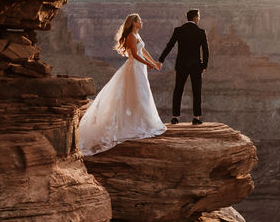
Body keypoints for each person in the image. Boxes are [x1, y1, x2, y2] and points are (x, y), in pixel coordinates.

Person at [78, 13, 166, 156]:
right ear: (134, 23)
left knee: (143, 94)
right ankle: (133, 124)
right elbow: (135, 55)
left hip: (140, 68)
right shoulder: (131, 36)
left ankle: (141, 122)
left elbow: (143, 51)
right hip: (134, 68)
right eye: (139, 20)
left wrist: (154, 63)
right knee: (136, 94)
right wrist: (148, 64)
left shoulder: (137, 35)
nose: (142, 22)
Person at [158, 9, 209, 125]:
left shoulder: (179, 30)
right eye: (199, 17)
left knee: (178, 90)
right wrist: (204, 65)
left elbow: (169, 45)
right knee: (197, 91)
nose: (199, 19)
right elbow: (205, 51)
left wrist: (161, 59)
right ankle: (196, 117)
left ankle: (175, 117)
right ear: (195, 18)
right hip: (196, 65)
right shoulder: (201, 32)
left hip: (181, 64)